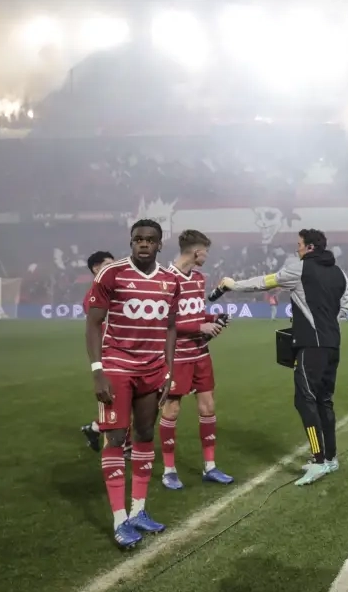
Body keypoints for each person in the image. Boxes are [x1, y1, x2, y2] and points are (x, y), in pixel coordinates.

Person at [218, 228, 348, 486]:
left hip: (310, 346)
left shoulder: (300, 269)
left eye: (299, 244)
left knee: (305, 401)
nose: (297, 248)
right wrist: (329, 325)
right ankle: (330, 458)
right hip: (332, 344)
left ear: (310, 247)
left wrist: (233, 285)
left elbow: (264, 281)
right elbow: (346, 303)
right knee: (324, 401)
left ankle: (318, 460)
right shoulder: (340, 273)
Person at [85, 219, 180, 548]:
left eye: (150, 240)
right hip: (117, 367)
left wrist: (168, 370)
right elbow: (93, 323)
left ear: (159, 244)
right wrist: (98, 370)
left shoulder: (170, 281)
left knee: (144, 434)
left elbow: (170, 327)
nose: (143, 244)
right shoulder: (111, 274)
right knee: (115, 437)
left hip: (152, 369)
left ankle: (139, 510)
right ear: (130, 242)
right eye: (138, 239)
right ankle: (119, 519)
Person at [160, 230, 234, 490]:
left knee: (208, 407)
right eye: (206, 251)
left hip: (200, 352)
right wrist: (199, 327)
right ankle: (169, 470)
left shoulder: (199, 278)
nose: (207, 256)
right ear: (196, 251)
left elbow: (194, 313)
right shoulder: (167, 279)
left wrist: (213, 319)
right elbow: (164, 322)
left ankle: (210, 467)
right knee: (172, 409)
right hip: (177, 355)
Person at [82, 251, 116, 452]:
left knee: (128, 400)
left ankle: (94, 428)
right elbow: (96, 327)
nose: (114, 268)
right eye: (108, 264)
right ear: (96, 268)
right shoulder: (94, 295)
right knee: (117, 400)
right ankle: (118, 446)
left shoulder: (113, 290)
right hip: (109, 352)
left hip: (122, 350)